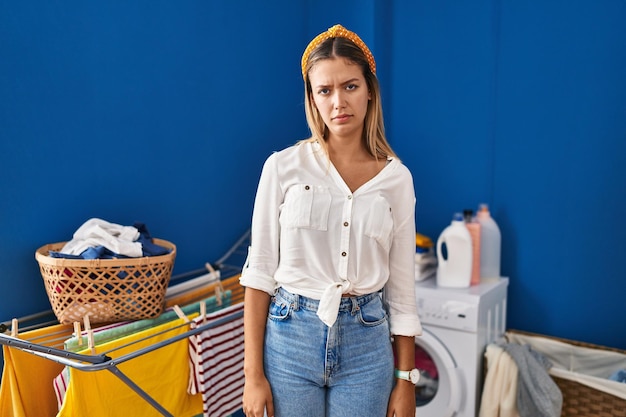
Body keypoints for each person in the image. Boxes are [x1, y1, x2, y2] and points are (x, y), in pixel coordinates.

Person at [240, 24, 423, 417]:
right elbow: (259, 275)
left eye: (350, 86)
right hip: (289, 340)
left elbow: (403, 292)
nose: (338, 101)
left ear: (370, 90)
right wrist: (252, 375)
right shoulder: (283, 167)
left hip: (367, 343)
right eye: (325, 90)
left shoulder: (397, 179)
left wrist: (405, 380)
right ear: (312, 98)